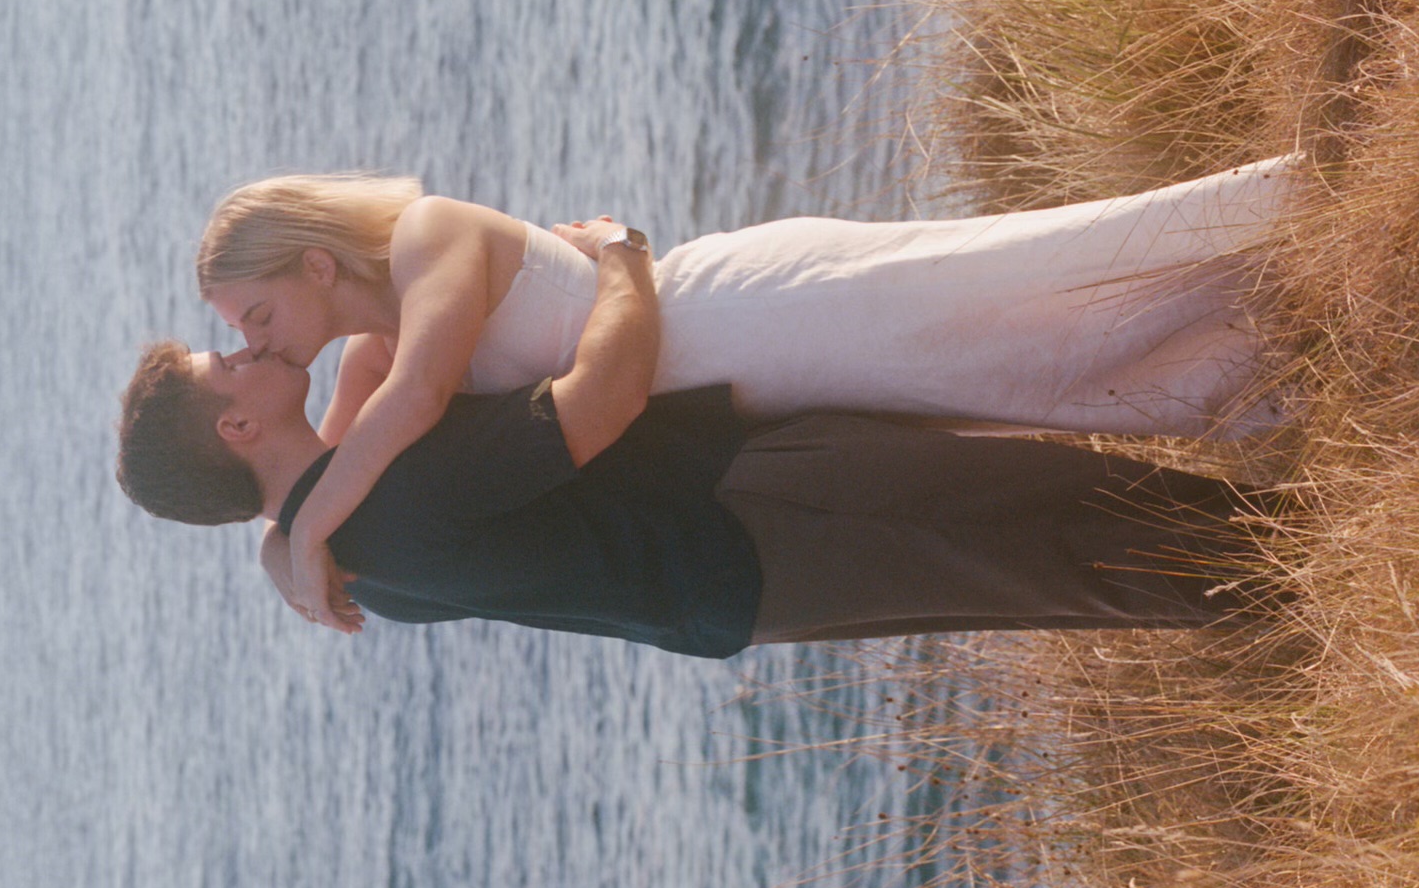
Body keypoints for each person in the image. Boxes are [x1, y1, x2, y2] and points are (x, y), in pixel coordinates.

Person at [194, 158, 1299, 625]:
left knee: (1004, 304)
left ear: (312, 260)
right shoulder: (360, 365)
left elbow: (414, 410)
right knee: (1008, 386)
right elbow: (323, 469)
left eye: (252, 314)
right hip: (734, 399)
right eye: (240, 335)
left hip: (747, 311)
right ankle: (1259, 369)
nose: (257, 342)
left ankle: (1287, 251)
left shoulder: (428, 241)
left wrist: (309, 539)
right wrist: (278, 544)